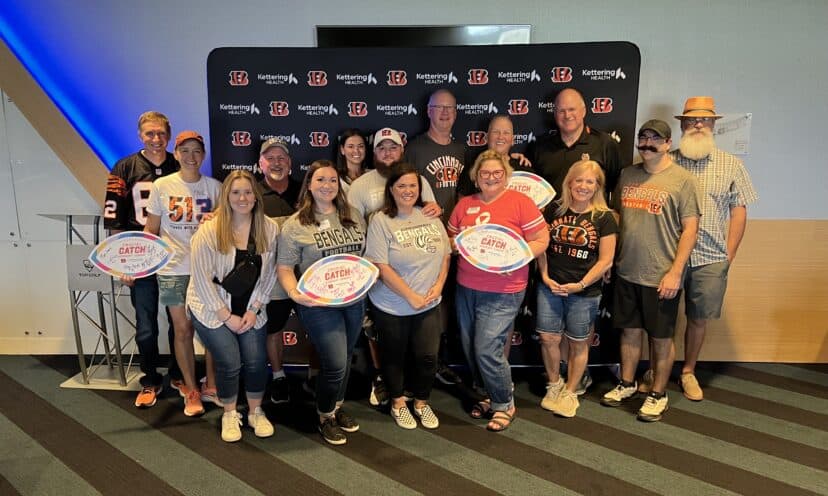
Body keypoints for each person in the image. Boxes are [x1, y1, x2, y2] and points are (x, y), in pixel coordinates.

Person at [648, 96, 756, 401]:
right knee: (660, 318)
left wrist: (728, 255)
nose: (698, 124)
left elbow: (739, 210)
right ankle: (655, 370)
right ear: (681, 124)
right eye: (692, 119)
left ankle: (688, 371)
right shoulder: (664, 161)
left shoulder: (731, 164)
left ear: (713, 125)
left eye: (705, 120)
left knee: (698, 317)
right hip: (667, 255)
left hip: (710, 258)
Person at [601, 119, 701, 422]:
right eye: (643, 137)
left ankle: (658, 393)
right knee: (630, 332)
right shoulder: (628, 174)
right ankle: (628, 383)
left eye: (655, 139)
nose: (647, 143)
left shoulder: (682, 180)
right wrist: (610, 259)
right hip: (627, 270)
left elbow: (690, 230)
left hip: (661, 275)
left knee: (660, 337)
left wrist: (676, 272)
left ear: (668, 143)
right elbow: (617, 215)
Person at [448, 150, 549, 432]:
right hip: (467, 286)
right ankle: (487, 395)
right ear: (475, 177)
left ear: (506, 176)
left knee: (486, 348)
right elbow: (452, 236)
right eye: (485, 173)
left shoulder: (520, 202)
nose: (491, 177)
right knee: (471, 348)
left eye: (497, 173)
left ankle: (505, 403)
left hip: (504, 289)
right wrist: (454, 244)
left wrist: (517, 257)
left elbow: (542, 238)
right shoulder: (464, 204)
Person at [347, 128, 441, 407]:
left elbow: (430, 213)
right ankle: (383, 381)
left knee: (419, 343)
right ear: (373, 153)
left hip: (417, 273)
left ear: (402, 150)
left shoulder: (419, 180)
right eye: (381, 148)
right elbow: (352, 228)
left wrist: (436, 209)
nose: (388, 153)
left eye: (393, 148)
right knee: (378, 333)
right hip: (375, 272)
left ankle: (412, 388)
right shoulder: (361, 185)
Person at [278, 160, 368, 445]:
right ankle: (324, 415)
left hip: (353, 300)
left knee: (347, 354)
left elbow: (363, 257)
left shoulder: (352, 214)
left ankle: (336, 407)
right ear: (309, 184)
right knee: (336, 362)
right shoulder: (296, 224)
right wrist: (295, 293)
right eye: (320, 180)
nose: (327, 185)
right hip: (317, 305)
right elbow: (284, 267)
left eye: (332, 180)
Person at [188, 170, 278, 442]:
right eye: (236, 192)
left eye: (248, 192)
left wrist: (255, 309)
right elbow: (201, 279)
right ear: (226, 196)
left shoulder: (269, 227)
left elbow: (270, 273)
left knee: (255, 361)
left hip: (251, 308)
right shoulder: (209, 230)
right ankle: (229, 413)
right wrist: (226, 316)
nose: (243, 198)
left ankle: (255, 411)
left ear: (256, 196)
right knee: (230, 362)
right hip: (212, 308)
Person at [103, 111, 183, 408]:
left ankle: (179, 373)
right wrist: (122, 263)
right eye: (150, 133)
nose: (156, 139)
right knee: (146, 324)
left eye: (161, 133)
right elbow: (113, 217)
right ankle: (150, 378)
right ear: (140, 135)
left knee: (180, 322)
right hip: (142, 255)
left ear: (169, 133)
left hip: (176, 255)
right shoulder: (124, 167)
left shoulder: (180, 163)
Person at [364, 163, 451, 430]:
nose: (408, 190)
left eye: (413, 185)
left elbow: (445, 254)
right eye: (401, 185)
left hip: (428, 303)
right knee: (394, 357)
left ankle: (422, 402)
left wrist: (438, 287)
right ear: (391, 189)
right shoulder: (381, 220)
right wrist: (410, 295)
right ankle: (398, 403)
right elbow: (380, 264)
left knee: (428, 357)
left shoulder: (429, 215)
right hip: (392, 305)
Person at [144, 131, 222, 416]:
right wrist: (135, 264)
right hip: (173, 268)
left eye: (197, 151)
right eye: (185, 150)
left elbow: (226, 231)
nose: (191, 156)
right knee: (183, 330)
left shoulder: (215, 188)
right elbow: (151, 230)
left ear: (203, 155)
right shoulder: (162, 186)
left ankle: (211, 384)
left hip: (207, 269)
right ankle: (191, 390)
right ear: (176, 154)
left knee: (212, 329)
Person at [536, 160, 617, 417]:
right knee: (549, 338)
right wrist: (546, 276)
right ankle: (554, 384)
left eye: (589, 182)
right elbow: (540, 246)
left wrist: (580, 284)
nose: (583, 186)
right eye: (578, 180)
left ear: (597, 186)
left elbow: (606, 260)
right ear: (569, 182)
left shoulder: (604, 218)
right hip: (550, 287)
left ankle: (571, 391)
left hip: (584, 292)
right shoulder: (553, 210)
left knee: (579, 343)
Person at [256, 137, 303, 406]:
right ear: (260, 163)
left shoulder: (304, 192)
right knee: (273, 328)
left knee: (318, 326)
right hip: (272, 277)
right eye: (270, 158)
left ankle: (320, 377)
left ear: (290, 163)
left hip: (306, 273)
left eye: (282, 158)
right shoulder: (252, 193)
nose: (277, 163)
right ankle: (278, 375)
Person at [532, 88, 622, 198]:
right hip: (551, 215)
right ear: (555, 114)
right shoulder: (539, 146)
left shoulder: (604, 144)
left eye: (572, 109)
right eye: (561, 111)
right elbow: (531, 185)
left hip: (592, 215)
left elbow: (615, 186)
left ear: (583, 111)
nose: (567, 115)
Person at [406, 89, 465, 224]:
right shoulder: (414, 149)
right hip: (427, 225)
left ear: (455, 113)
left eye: (449, 107)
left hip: (457, 227)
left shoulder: (462, 150)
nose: (445, 112)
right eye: (439, 107)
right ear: (428, 111)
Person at [336, 129, 369, 195]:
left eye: (360, 146)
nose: (356, 151)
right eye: (350, 146)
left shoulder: (373, 176)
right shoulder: (335, 177)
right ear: (342, 150)